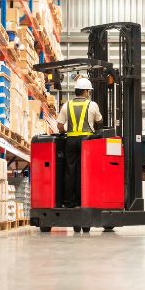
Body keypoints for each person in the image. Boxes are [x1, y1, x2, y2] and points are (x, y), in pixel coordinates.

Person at [56, 77, 103, 208]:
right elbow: (100, 122)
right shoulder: (92, 105)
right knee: (85, 171)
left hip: (70, 141)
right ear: (86, 92)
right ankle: (83, 200)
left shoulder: (67, 105)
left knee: (70, 171)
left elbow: (60, 126)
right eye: (89, 92)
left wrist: (65, 132)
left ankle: (69, 202)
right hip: (87, 143)